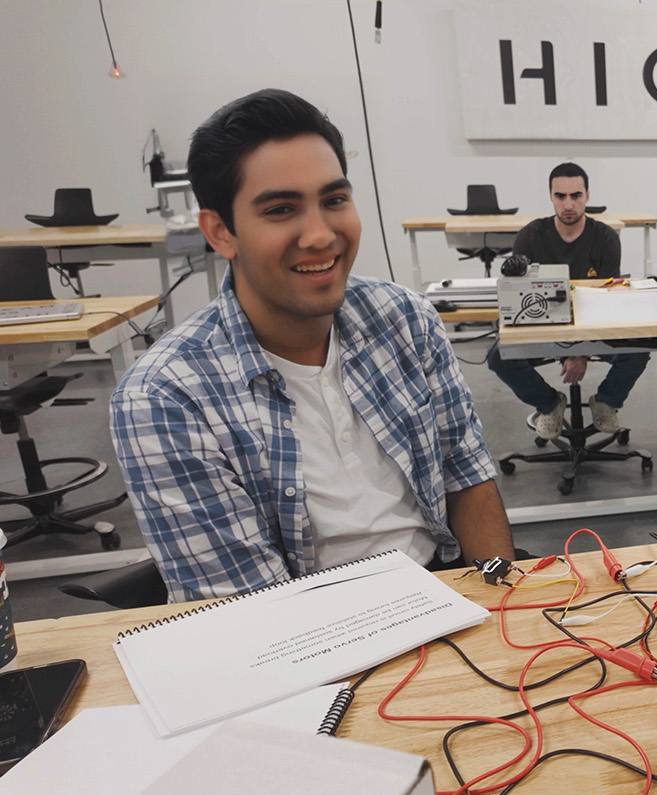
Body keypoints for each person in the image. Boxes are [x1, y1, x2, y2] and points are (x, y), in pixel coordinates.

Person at [110, 89, 514, 602]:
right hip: (305, 630)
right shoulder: (164, 398)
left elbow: (467, 477)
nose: (321, 235)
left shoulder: (405, 318)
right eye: (281, 209)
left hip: (444, 588)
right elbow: (253, 614)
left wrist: (502, 608)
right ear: (220, 232)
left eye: (334, 200)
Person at [487, 163, 649, 438]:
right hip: (544, 330)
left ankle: (607, 402)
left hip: (596, 329)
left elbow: (606, 301)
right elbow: (522, 300)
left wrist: (580, 350)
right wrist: (568, 350)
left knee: (640, 350)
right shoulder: (530, 236)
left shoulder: (606, 238)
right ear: (551, 197)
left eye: (576, 195)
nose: (568, 203)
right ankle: (549, 404)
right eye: (560, 196)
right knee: (498, 357)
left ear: (587, 195)